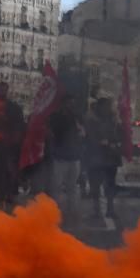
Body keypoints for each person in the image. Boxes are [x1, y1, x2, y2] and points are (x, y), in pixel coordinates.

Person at [48, 93, 84, 225]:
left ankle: (72, 213)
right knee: (56, 186)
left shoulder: (76, 117)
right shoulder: (56, 117)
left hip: (74, 157)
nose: (71, 105)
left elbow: (82, 134)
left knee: (72, 187)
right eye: (69, 103)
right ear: (63, 103)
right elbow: (51, 133)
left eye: (72, 103)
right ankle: (54, 213)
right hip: (60, 158)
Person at [84, 97, 122, 220]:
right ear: (100, 106)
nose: (108, 108)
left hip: (110, 158)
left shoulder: (113, 120)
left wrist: (115, 143)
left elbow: (118, 136)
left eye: (109, 105)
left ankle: (110, 209)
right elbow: (90, 137)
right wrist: (102, 142)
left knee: (110, 185)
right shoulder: (92, 120)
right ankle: (97, 211)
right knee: (95, 185)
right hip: (96, 156)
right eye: (106, 105)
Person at [0, 82, 26, 206]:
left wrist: (16, 139)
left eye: (3, 89)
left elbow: (20, 125)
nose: (1, 91)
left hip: (11, 144)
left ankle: (11, 194)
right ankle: (1, 192)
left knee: (11, 170)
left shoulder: (13, 107)